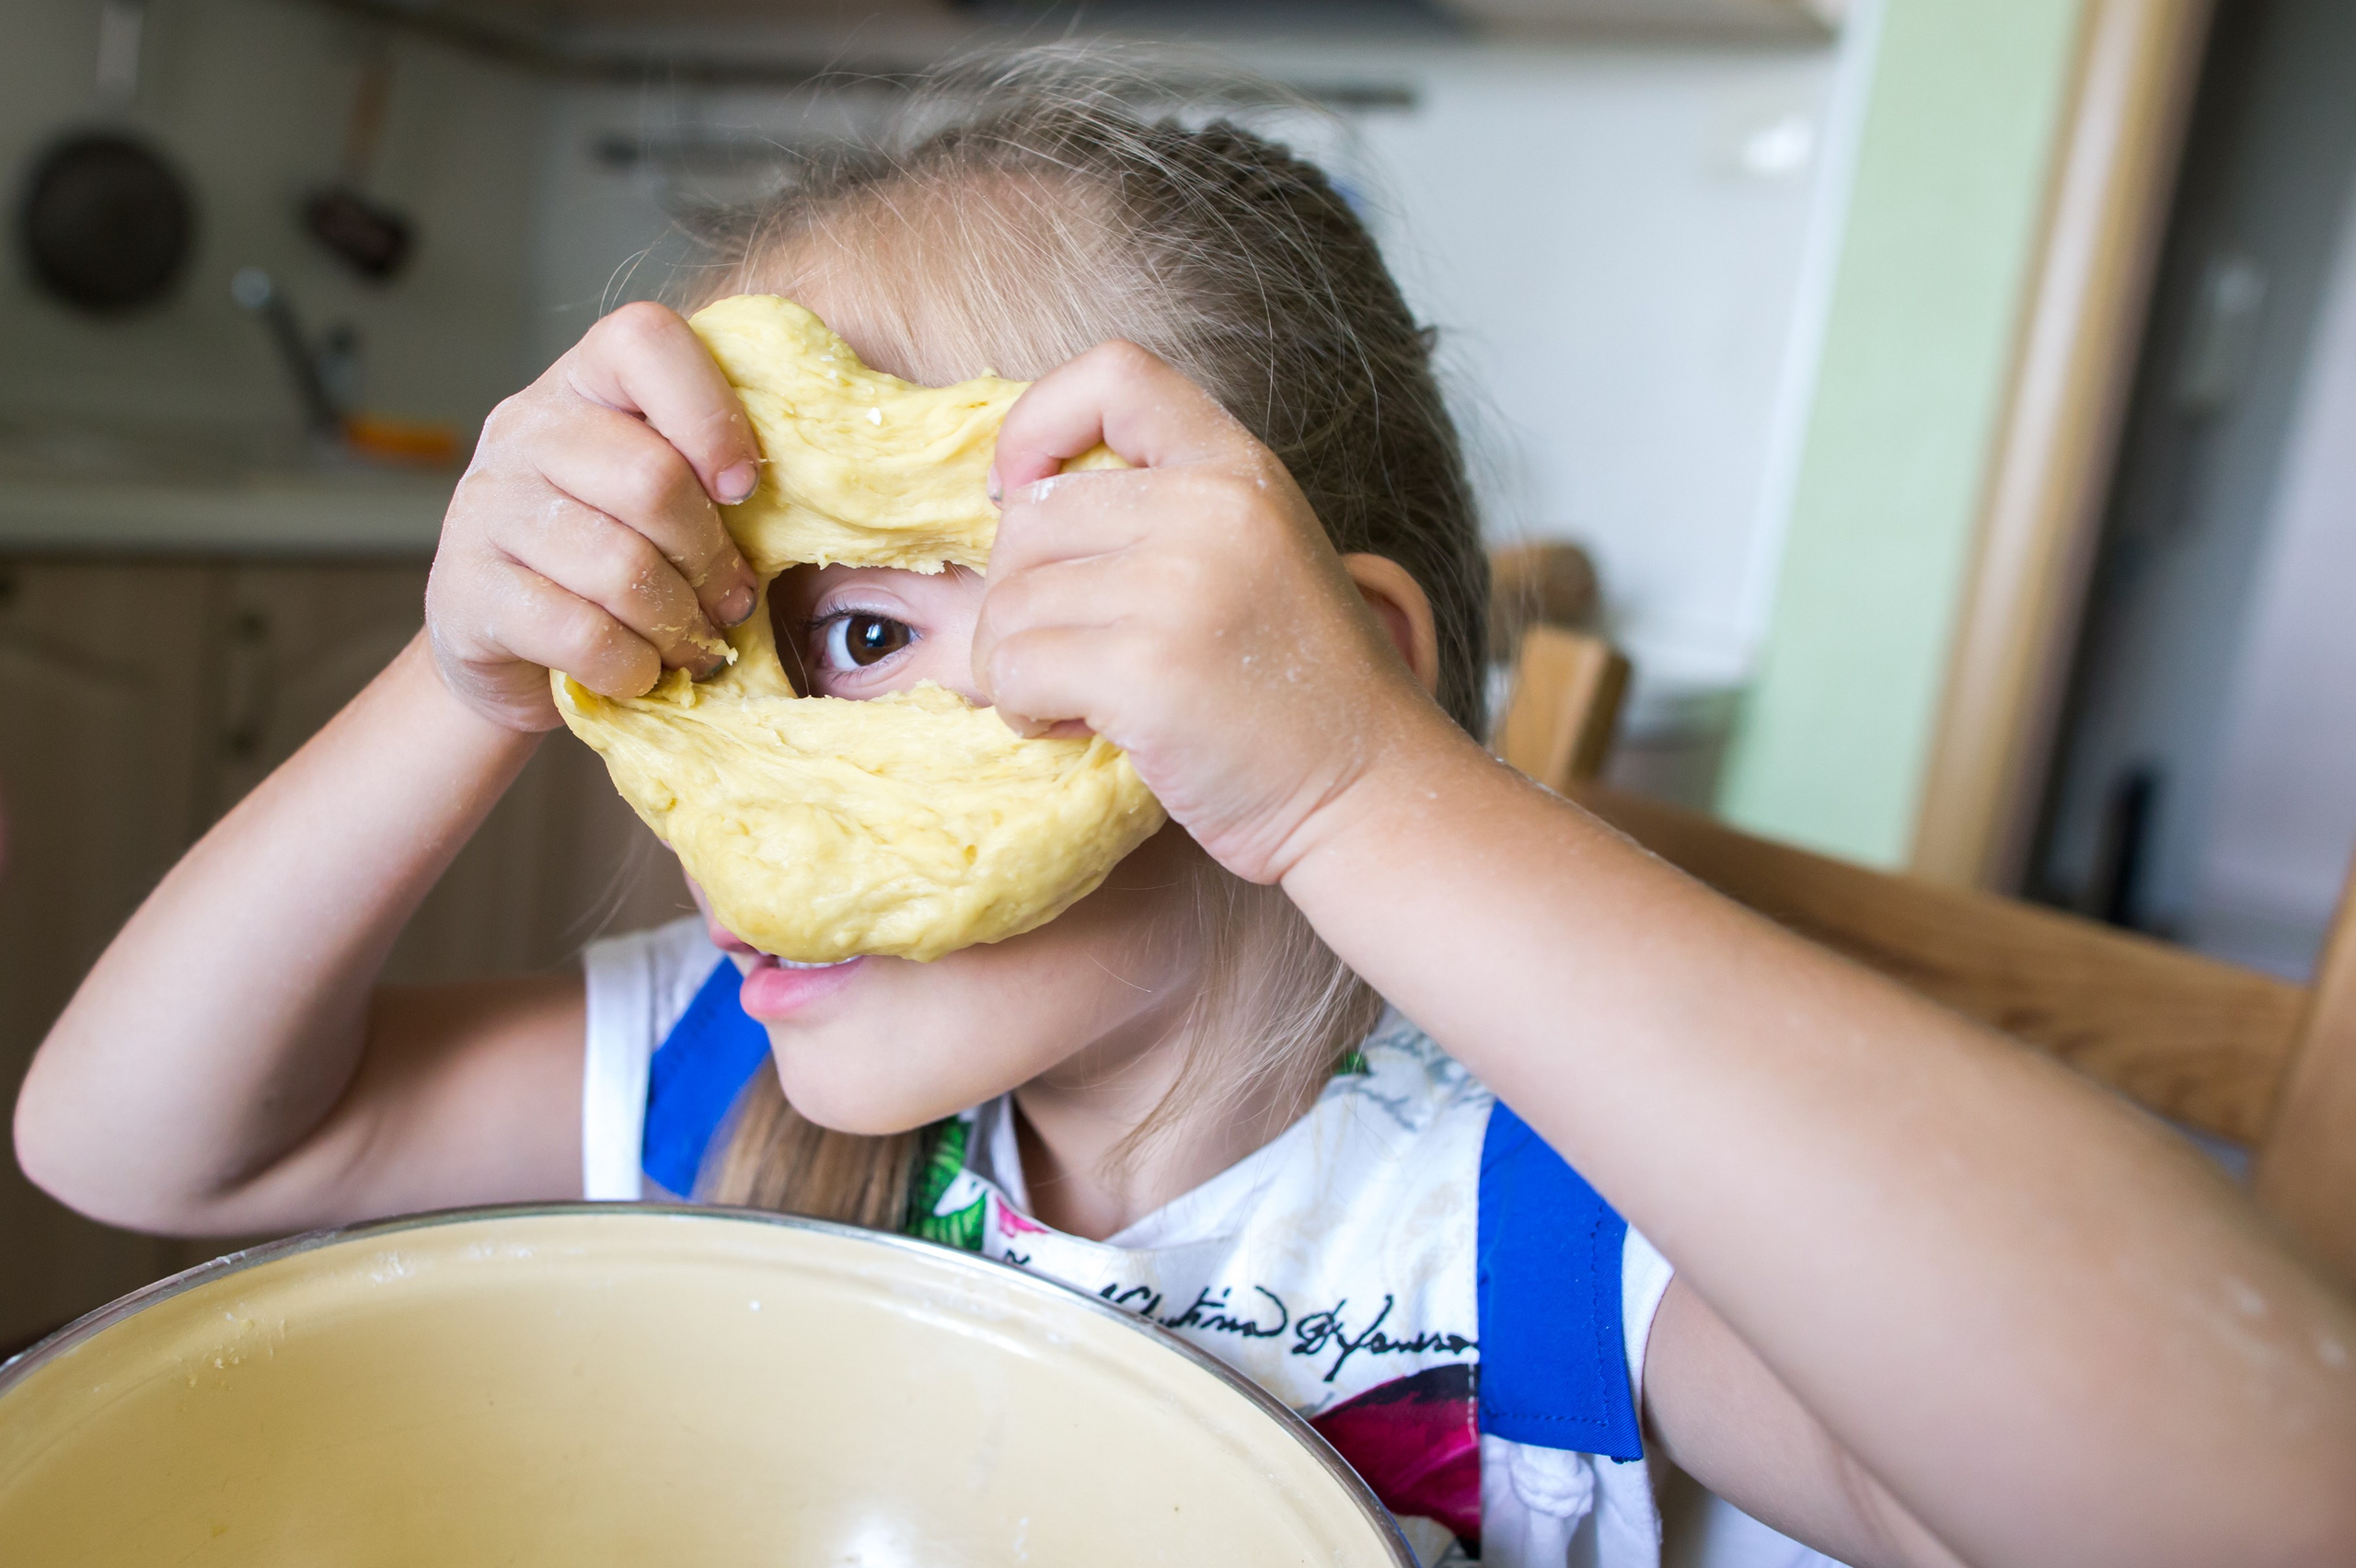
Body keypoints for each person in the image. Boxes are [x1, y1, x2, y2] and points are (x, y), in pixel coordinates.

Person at [15, 52, 2355, 1568]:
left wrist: (1361, 793)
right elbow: (145, 1154)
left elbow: (2255, 1502)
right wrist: (463, 680)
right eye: (686, 631)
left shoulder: (1556, 1247)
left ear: (1305, 662)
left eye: (850, 632)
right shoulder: (730, 1078)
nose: (717, 788)